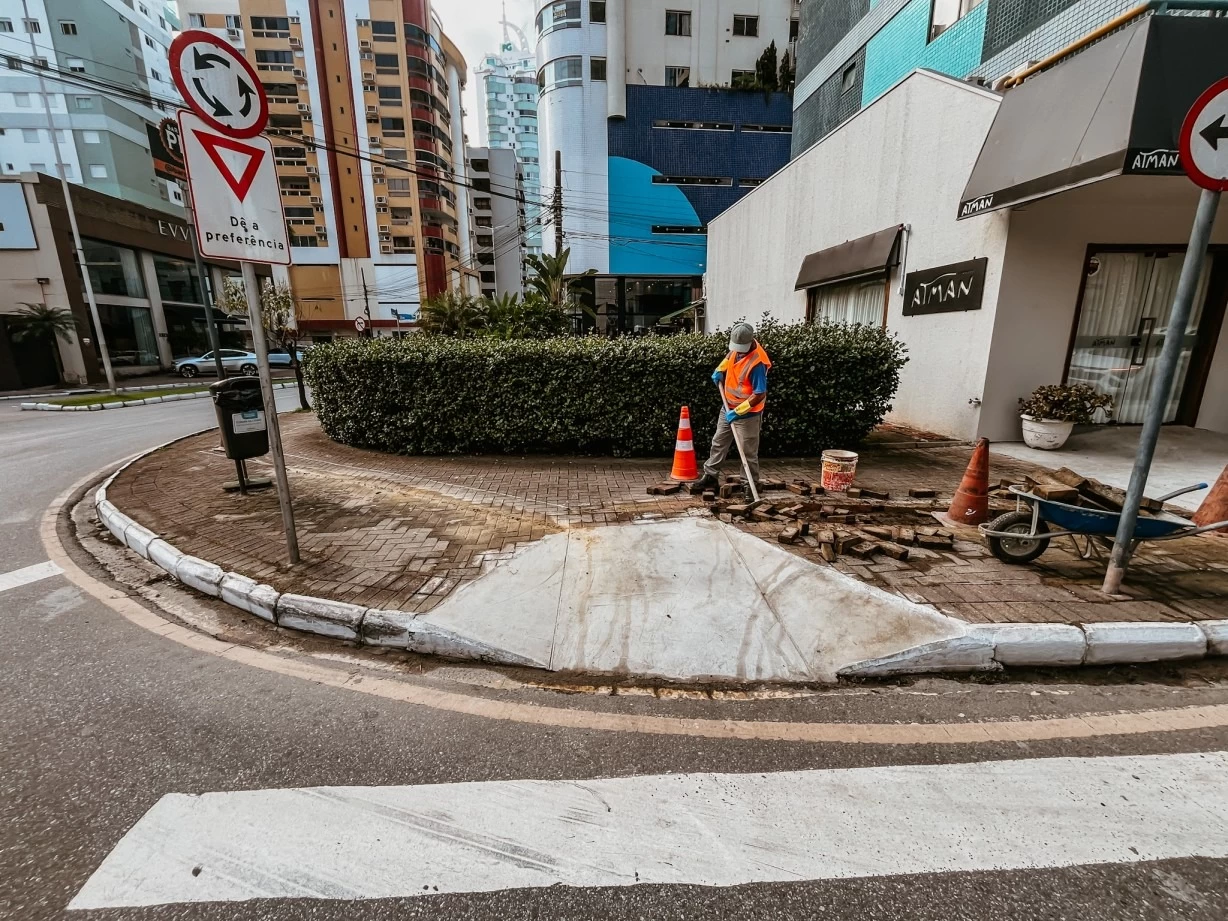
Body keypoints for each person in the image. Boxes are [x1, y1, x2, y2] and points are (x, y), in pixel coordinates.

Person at [697, 322, 771, 493]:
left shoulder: (757, 363)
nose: (738, 350)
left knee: (748, 452)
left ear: (751, 342)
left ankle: (750, 485)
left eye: (741, 348)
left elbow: (759, 394)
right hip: (727, 406)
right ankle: (710, 477)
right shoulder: (737, 349)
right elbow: (730, 356)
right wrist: (719, 369)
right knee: (718, 442)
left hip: (748, 414)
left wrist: (737, 412)